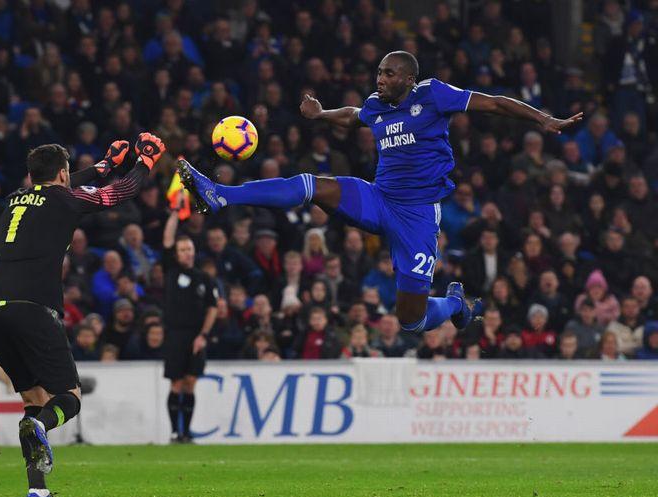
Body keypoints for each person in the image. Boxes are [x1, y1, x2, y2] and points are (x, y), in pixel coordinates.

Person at [179, 50, 582, 337]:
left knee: (411, 320)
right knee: (311, 185)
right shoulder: (377, 105)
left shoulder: (432, 94)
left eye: (389, 74)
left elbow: (493, 104)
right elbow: (355, 116)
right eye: (379, 72)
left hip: (417, 218)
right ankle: (221, 194)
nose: (380, 79)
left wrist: (543, 119)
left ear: (408, 79)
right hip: (378, 199)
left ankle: (455, 304)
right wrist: (322, 114)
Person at [0, 134, 165, 497]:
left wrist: (104, 166)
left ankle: (38, 493)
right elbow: (120, 193)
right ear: (62, 173)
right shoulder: (66, 199)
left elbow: (58, 186)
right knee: (69, 398)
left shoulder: (13, 199)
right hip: (33, 307)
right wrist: (144, 162)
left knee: (33, 401)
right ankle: (43, 427)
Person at [161, 193, 218, 444]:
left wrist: (203, 335)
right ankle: (175, 432)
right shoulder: (171, 271)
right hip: (175, 334)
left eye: (190, 249)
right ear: (176, 254)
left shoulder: (204, 278)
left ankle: (187, 432)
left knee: (191, 382)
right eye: (183, 250)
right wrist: (175, 212)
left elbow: (213, 308)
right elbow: (167, 238)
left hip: (196, 336)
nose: (187, 253)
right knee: (176, 383)